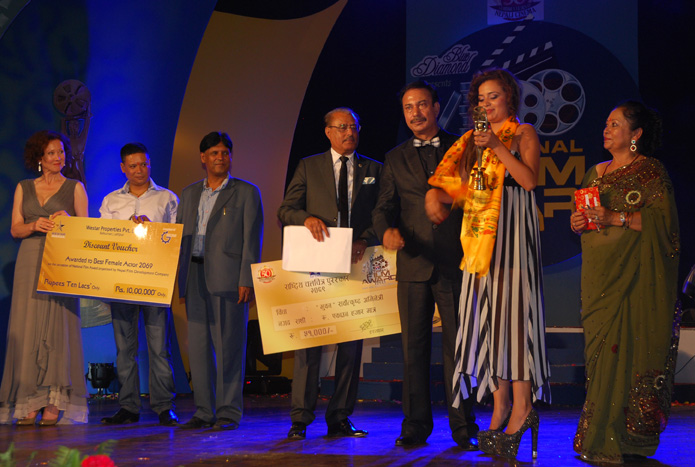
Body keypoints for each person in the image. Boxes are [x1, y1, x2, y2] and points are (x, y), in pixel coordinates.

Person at [426, 68, 550, 459]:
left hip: (512, 235)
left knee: (515, 322)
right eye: (480, 98)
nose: (486, 103)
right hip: (480, 244)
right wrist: (436, 196)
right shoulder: (469, 141)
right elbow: (460, 190)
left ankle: (523, 408)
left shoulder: (522, 133)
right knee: (490, 324)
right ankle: (500, 406)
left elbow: (529, 181)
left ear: (510, 97)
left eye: (493, 96)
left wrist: (497, 145)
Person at [570, 101, 680, 464]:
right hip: (599, 278)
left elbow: (665, 226)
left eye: (615, 124)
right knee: (600, 357)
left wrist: (615, 216)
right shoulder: (595, 172)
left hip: (636, 281)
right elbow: (587, 219)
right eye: (606, 123)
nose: (606, 129)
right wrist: (579, 222)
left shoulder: (650, 172)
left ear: (636, 134)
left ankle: (626, 439)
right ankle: (599, 434)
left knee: (632, 352)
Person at [372, 80, 478, 449]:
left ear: (436, 107)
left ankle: (463, 426)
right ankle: (415, 426)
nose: (415, 113)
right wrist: (385, 231)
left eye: (421, 105)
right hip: (413, 263)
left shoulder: (462, 147)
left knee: (458, 349)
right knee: (413, 349)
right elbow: (383, 208)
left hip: (456, 261)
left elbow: (478, 197)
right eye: (408, 107)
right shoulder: (394, 158)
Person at [278, 108, 382, 440]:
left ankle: (339, 417)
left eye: (354, 126)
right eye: (342, 127)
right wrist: (306, 218)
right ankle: (300, 418)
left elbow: (384, 214)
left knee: (351, 346)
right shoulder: (309, 166)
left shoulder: (374, 170)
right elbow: (286, 209)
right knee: (309, 344)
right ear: (328, 132)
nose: (349, 132)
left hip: (355, 266)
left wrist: (366, 238)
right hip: (316, 265)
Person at [0, 130, 89, 425]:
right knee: (27, 326)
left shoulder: (75, 187)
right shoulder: (23, 187)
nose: (58, 157)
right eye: (51, 153)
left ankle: (54, 400)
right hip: (29, 260)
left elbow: (86, 231)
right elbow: (15, 229)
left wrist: (69, 222)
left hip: (60, 261)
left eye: (61, 152)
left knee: (58, 326)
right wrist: (34, 224)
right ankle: (29, 399)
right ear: (39, 157)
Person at [176, 131, 263, 430]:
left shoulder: (246, 192)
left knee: (229, 348)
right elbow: (178, 236)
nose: (220, 157)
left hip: (229, 279)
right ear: (203, 158)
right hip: (194, 276)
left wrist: (246, 279)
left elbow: (252, 240)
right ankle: (204, 411)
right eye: (214, 153)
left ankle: (228, 412)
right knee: (199, 350)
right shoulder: (189, 193)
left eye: (225, 152)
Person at [99, 143, 180, 426]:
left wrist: (153, 231)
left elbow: (176, 240)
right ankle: (128, 407)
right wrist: (127, 229)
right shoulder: (111, 201)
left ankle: (164, 406)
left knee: (159, 348)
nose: (139, 170)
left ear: (149, 163)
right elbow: (104, 239)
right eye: (133, 166)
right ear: (123, 168)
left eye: (144, 164)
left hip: (155, 281)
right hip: (121, 281)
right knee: (125, 349)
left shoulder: (167, 198)